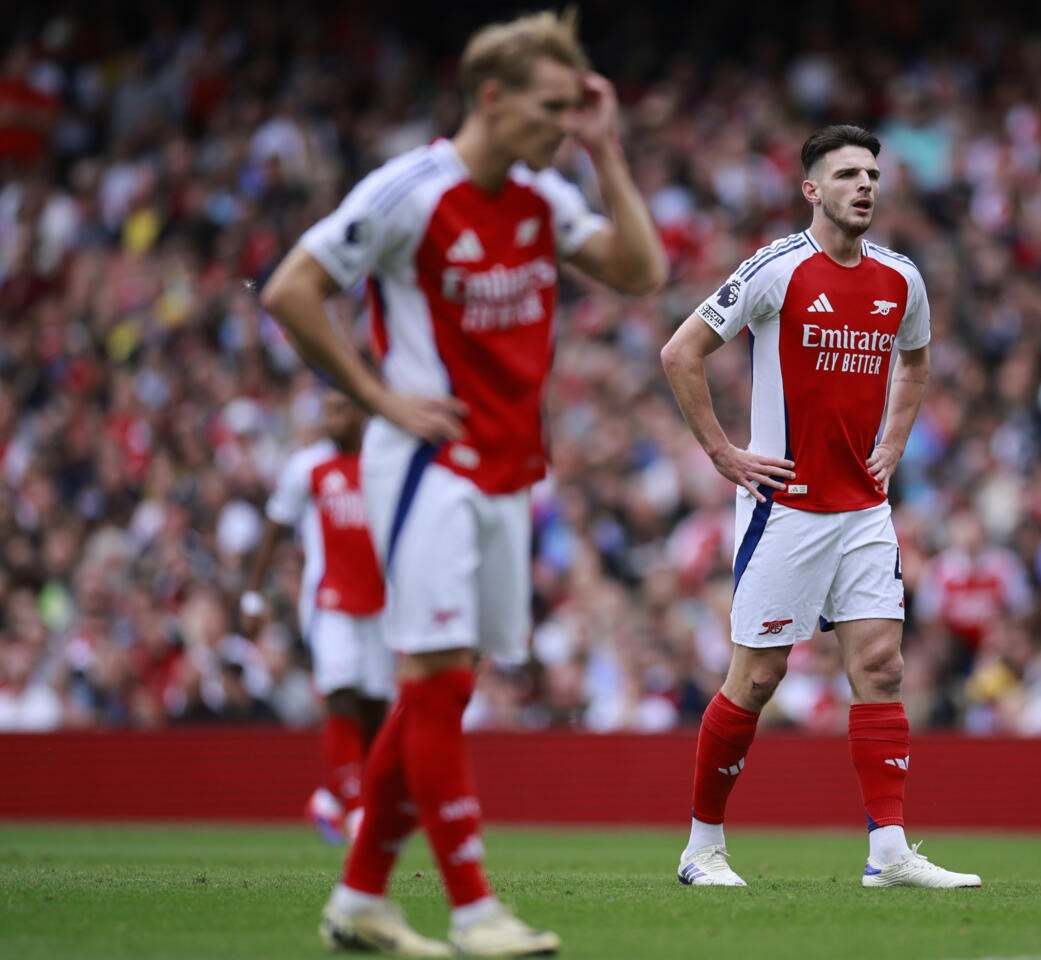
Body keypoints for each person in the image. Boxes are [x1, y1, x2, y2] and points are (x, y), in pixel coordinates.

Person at [261, 9, 666, 957]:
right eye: (552, 108)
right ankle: (476, 908)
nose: (563, 125)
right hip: (427, 466)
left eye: (576, 110)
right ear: (492, 96)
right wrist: (376, 397)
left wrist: (607, 152)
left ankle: (361, 897)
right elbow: (290, 288)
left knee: (439, 689)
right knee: (436, 680)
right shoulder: (408, 191)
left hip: (509, 469)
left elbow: (640, 272)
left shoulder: (543, 195)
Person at [660, 124, 980, 890]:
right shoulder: (776, 269)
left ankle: (889, 852)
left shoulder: (902, 278)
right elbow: (681, 351)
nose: (865, 185)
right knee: (759, 679)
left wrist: (894, 445)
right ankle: (701, 849)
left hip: (864, 509)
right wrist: (723, 454)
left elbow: (917, 360)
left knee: (881, 665)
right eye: (846, 175)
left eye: (872, 173)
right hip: (788, 509)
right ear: (812, 190)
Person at [242, 389, 392, 845]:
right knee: (340, 695)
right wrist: (253, 593)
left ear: (363, 415)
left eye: (342, 409)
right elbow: (274, 526)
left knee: (374, 711)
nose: (333, 418)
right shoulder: (307, 468)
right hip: (327, 601)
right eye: (328, 410)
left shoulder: (384, 465)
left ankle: (331, 797)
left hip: (381, 603)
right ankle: (359, 809)